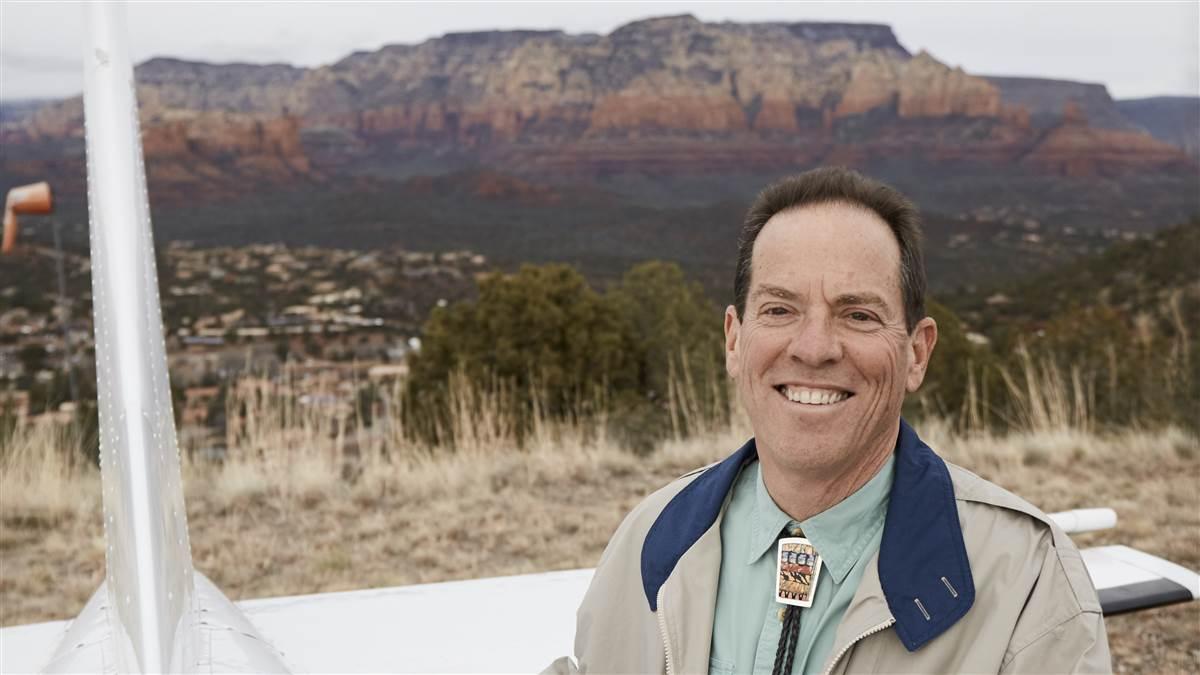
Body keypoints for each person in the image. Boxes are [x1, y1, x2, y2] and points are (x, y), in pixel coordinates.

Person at [547, 167, 1110, 674]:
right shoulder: (653, 539)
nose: (813, 348)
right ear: (734, 340)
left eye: (858, 314)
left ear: (916, 352)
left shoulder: (1028, 580)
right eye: (779, 309)